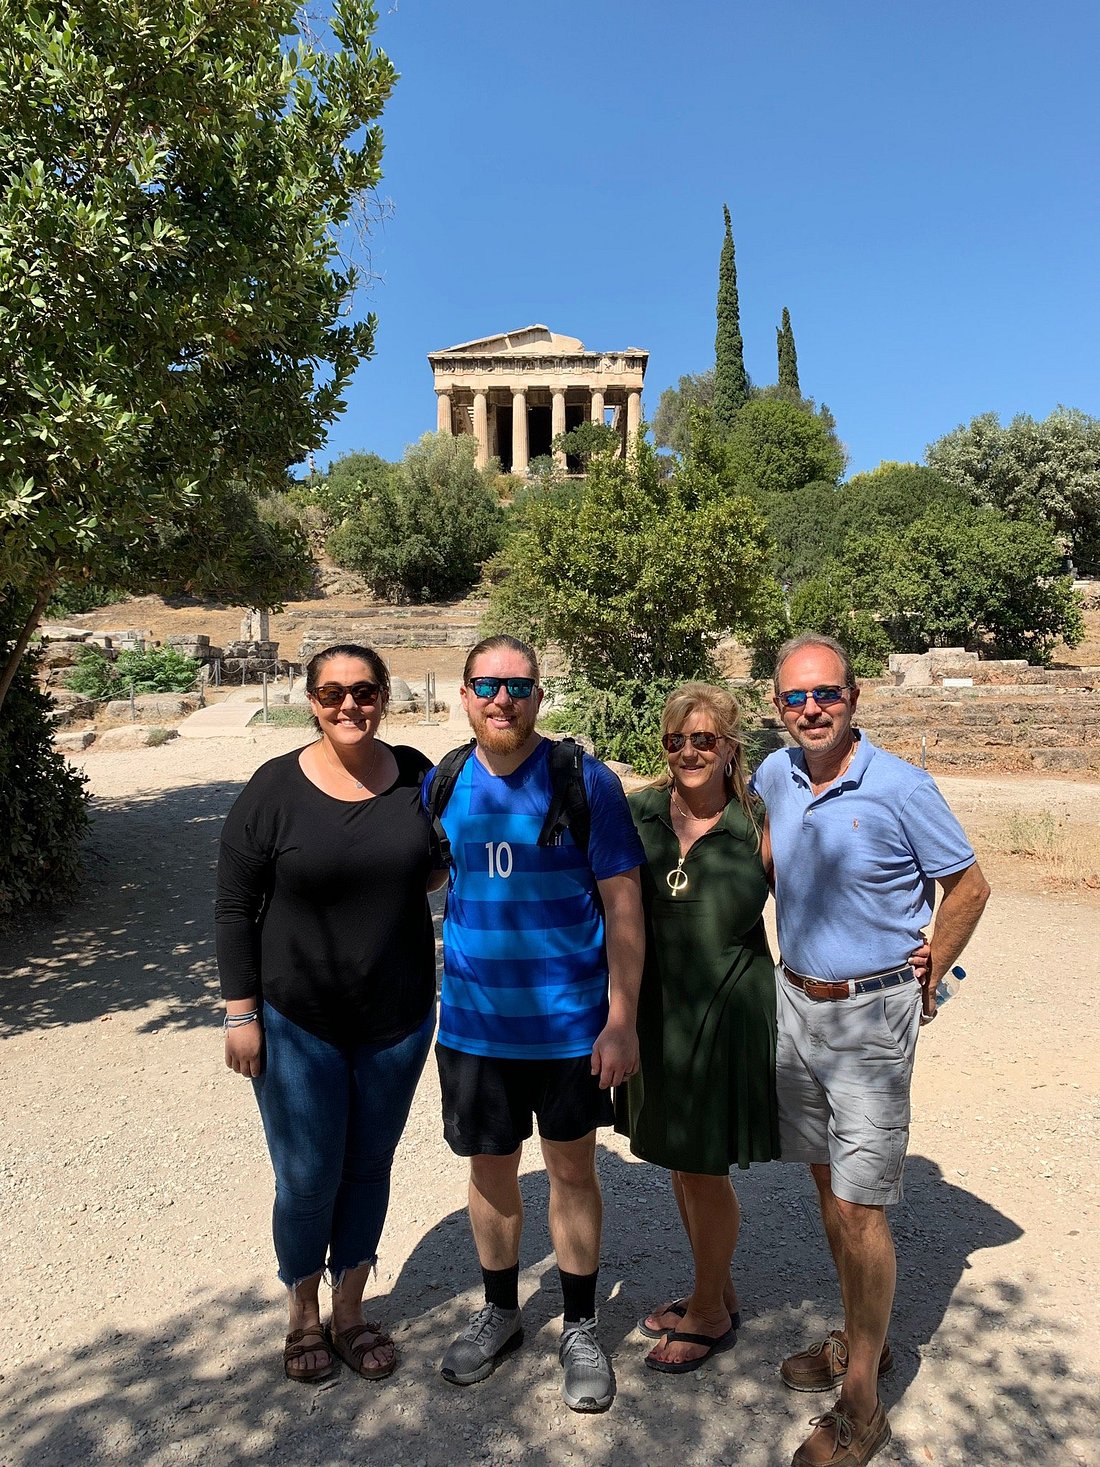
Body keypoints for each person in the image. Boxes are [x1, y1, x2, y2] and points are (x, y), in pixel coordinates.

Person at [752, 633, 990, 1467]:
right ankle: (865, 1340)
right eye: (795, 698)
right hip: (798, 999)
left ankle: (862, 1408)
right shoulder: (774, 773)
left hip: (871, 1015)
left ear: (855, 698)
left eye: (827, 694)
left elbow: (967, 883)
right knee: (827, 1184)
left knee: (861, 1207)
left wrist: (935, 961)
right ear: (777, 705)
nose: (811, 708)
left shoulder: (899, 784)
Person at [425, 635, 645, 1413]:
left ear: (539, 696)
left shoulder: (584, 780)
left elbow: (623, 901)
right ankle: (500, 1312)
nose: (502, 698)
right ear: (464, 694)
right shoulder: (442, 780)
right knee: (489, 1170)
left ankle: (581, 1325)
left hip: (567, 1024)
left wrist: (621, 1017)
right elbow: (421, 872)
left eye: (517, 684)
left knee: (572, 1171)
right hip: (475, 1026)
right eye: (487, 684)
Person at [215, 643, 443, 1384]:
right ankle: (302, 1314)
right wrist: (239, 1013)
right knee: (309, 1174)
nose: (350, 705)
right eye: (333, 692)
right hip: (296, 1019)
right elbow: (232, 904)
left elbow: (443, 860)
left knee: (369, 1165)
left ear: (385, 696)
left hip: (398, 1018)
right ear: (311, 699)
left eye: (365, 690)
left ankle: (351, 1308)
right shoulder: (274, 788)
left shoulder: (416, 775)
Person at [616, 682, 780, 1373]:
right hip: (660, 1009)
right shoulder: (641, 813)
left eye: (704, 739)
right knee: (682, 1161)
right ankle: (716, 1288)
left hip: (730, 1010)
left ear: (731, 748)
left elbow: (824, 894)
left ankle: (710, 1312)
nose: (688, 751)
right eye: (676, 740)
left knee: (705, 1167)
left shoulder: (761, 822)